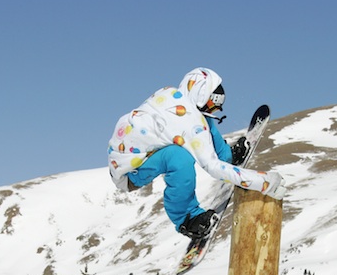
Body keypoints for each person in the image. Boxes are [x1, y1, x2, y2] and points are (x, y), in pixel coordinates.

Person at [108, 67, 286, 239]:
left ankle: (227, 156)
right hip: (129, 174)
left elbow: (194, 119)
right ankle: (187, 219)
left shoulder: (171, 93)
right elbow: (214, 168)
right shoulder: (190, 123)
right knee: (179, 157)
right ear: (201, 95)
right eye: (213, 104)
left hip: (125, 157)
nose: (216, 110)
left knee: (202, 119)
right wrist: (263, 182)